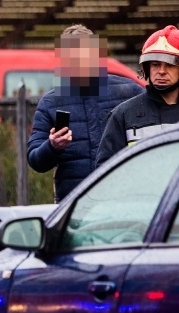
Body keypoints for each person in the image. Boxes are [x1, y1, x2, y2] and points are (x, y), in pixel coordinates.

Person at [28, 25, 144, 202]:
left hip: (122, 200)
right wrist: (52, 147)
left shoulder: (128, 92)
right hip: (72, 205)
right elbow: (35, 160)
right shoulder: (50, 103)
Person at [96, 25, 179, 166]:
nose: (161, 71)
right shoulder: (123, 115)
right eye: (155, 64)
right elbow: (106, 170)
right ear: (146, 68)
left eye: (170, 65)